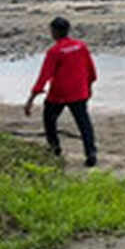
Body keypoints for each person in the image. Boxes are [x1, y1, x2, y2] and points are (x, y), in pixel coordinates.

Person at [25, 17, 98, 167]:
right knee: (84, 123)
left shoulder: (54, 51)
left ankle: (54, 148)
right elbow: (90, 69)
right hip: (79, 91)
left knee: (49, 119)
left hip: (60, 93)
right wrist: (88, 87)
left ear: (55, 32)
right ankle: (91, 152)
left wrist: (31, 99)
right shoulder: (81, 46)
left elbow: (44, 76)